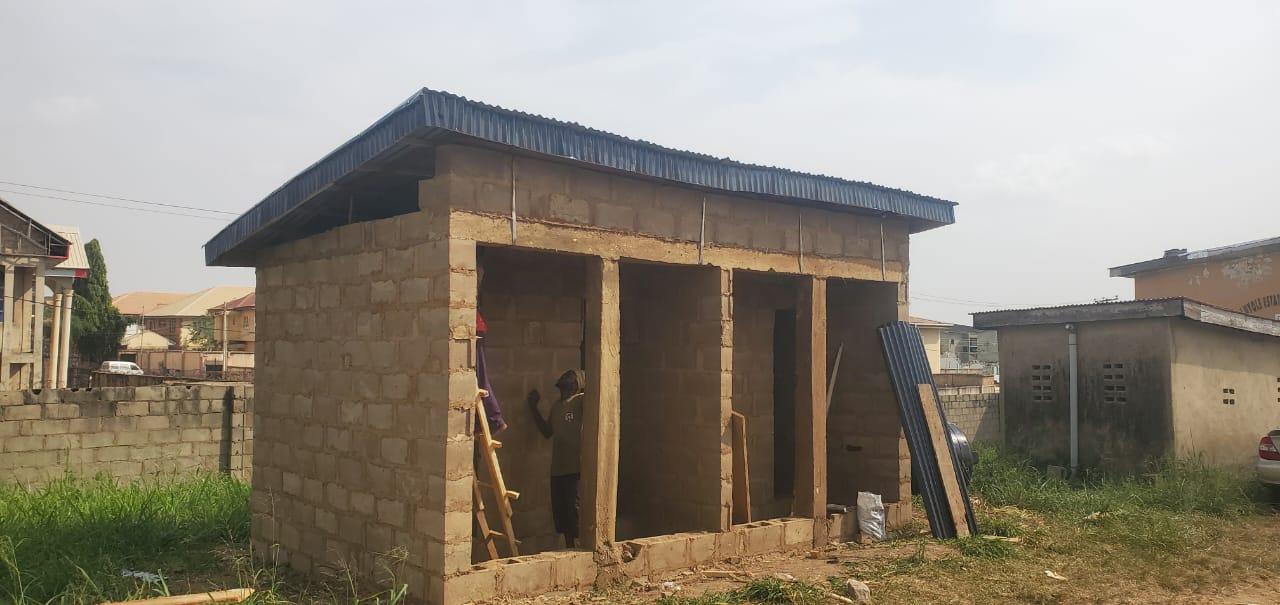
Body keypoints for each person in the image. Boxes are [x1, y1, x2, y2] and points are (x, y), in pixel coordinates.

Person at [527, 369, 585, 548]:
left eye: (567, 387)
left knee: (574, 510)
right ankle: (570, 548)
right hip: (558, 468)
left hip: (575, 468)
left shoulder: (580, 400)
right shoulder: (557, 407)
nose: (563, 392)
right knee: (561, 512)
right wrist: (533, 407)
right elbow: (547, 432)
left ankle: (581, 548)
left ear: (576, 385)